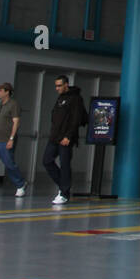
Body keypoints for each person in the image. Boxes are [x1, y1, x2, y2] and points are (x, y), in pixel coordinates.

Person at [42, 75, 88, 206]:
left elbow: (76, 119)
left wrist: (68, 136)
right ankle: (64, 186)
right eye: (56, 86)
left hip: (66, 138)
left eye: (59, 85)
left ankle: (64, 192)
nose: (57, 88)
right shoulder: (60, 98)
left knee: (65, 164)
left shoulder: (76, 99)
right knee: (47, 160)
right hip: (55, 136)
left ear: (66, 84)